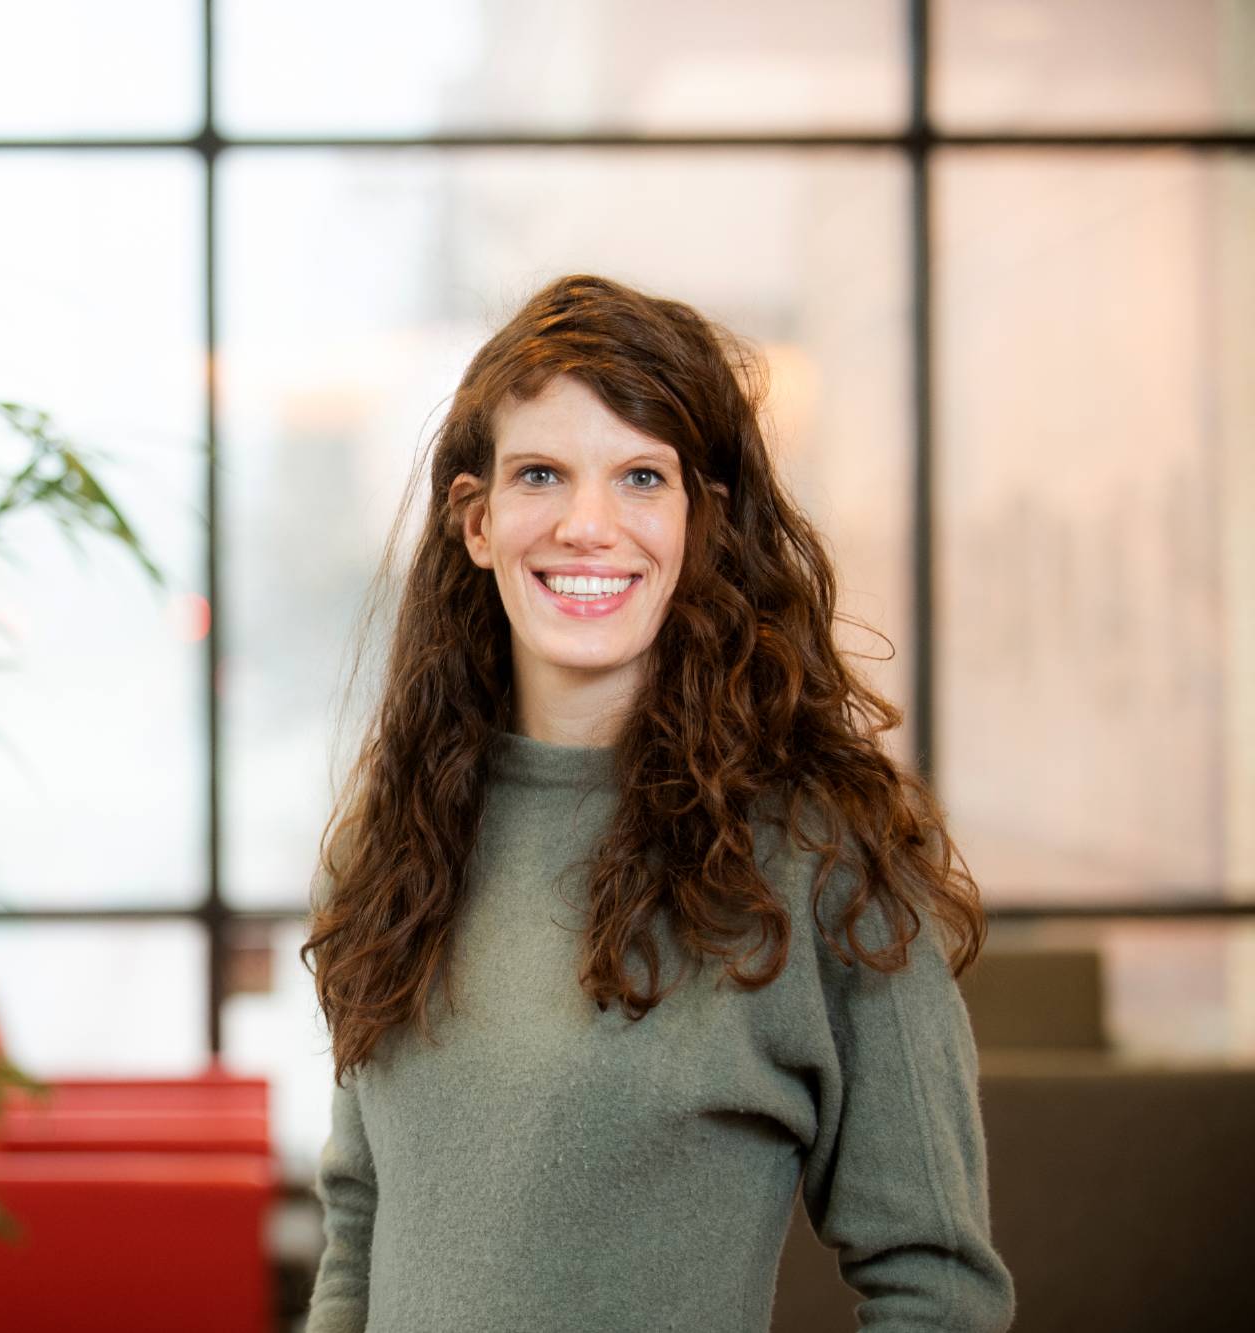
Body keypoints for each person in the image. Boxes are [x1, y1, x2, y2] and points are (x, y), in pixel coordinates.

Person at [298, 273, 1014, 1332]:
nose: (588, 525)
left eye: (640, 477)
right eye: (541, 472)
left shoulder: (822, 855)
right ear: (476, 519)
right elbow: (358, 1228)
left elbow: (937, 1289)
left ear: (700, 522)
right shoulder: (391, 836)